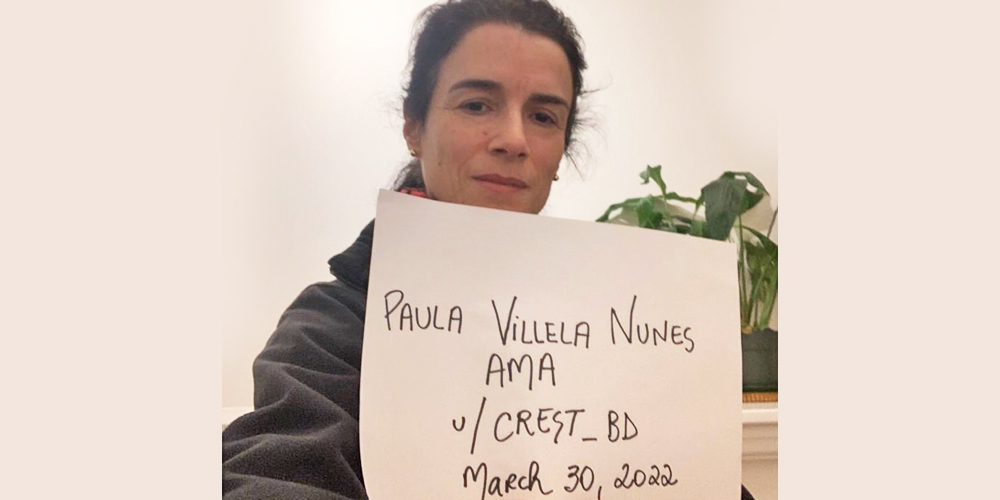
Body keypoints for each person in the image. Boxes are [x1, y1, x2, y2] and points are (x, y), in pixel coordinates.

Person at [222, 1, 754, 498]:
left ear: (561, 151)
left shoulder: (632, 336)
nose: (513, 138)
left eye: (544, 116)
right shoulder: (330, 329)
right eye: (477, 104)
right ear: (414, 125)